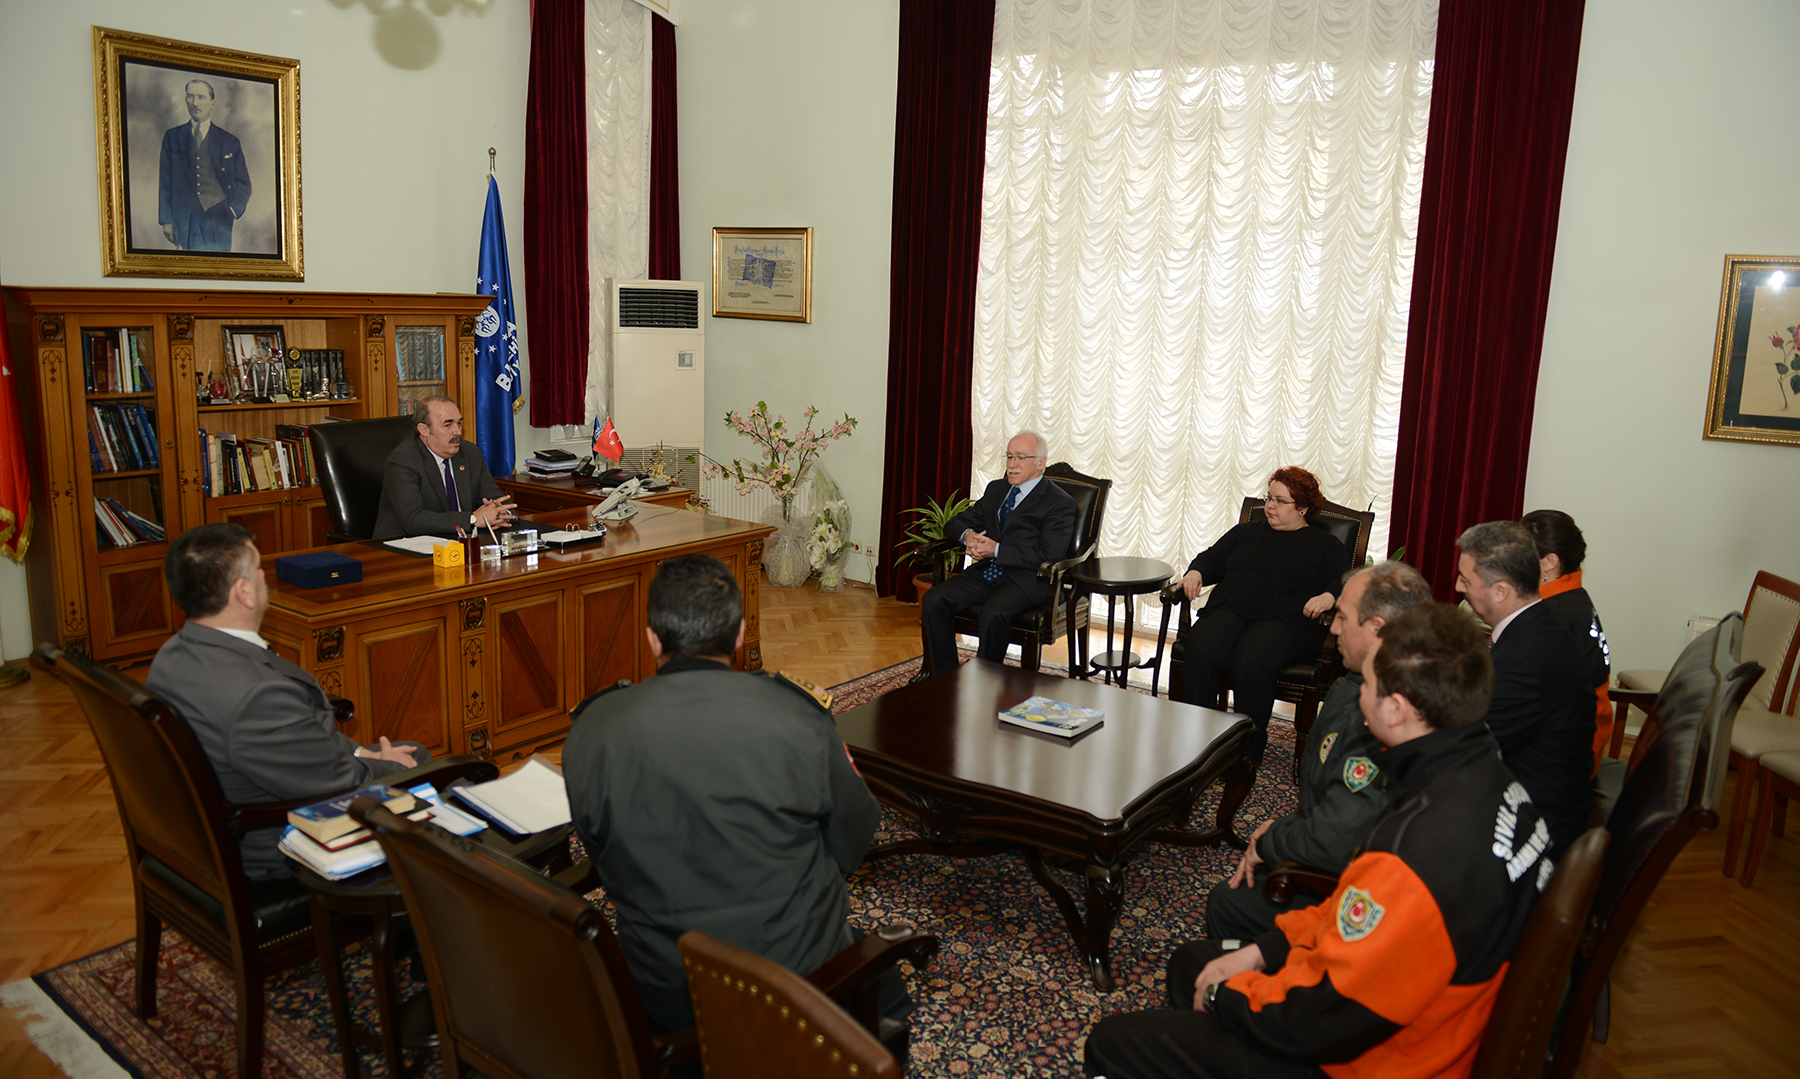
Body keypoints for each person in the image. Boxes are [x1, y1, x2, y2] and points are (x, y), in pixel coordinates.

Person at [1084, 603, 1553, 1079]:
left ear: (1395, 710)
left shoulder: (1417, 850)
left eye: (1366, 685)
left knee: (1113, 1044)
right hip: (1415, 1012)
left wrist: (1226, 998)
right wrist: (1266, 950)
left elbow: (1316, 1019)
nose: (1357, 693)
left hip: (1368, 1059)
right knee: (1192, 964)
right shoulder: (1490, 777)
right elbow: (1352, 912)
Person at [563, 553, 888, 1032]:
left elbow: (600, 851)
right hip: (797, 986)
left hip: (666, 994)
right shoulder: (798, 717)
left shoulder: (593, 728)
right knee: (887, 989)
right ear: (739, 635)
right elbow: (853, 841)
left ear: (653, 639)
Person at [146, 524, 426, 880]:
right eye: (259, 568)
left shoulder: (171, 655)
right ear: (244, 591)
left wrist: (360, 752)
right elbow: (338, 785)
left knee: (407, 755)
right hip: (281, 848)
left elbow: (296, 749)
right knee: (423, 765)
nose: (265, 577)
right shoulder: (259, 696)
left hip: (212, 826)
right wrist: (391, 768)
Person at [1204, 560, 1433, 942]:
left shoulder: (1383, 714)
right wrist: (1287, 828)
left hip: (1360, 889)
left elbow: (1338, 838)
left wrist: (1275, 840)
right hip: (1335, 841)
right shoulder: (1373, 681)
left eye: (1343, 617)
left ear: (1377, 628)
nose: (1334, 628)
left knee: (1226, 904)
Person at [1176, 467, 1350, 768]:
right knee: (1201, 649)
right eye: (1269, 498)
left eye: (1280, 501)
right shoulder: (1247, 532)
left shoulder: (1325, 544)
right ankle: (1197, 743)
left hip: (1285, 621)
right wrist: (1196, 572)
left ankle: (1244, 755)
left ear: (1303, 507)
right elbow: (1213, 557)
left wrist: (1329, 596)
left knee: (1252, 662)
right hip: (1232, 609)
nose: (1270, 506)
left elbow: (1343, 580)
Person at [1454, 520, 1595, 855]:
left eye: (1465, 580)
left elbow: (1466, 753)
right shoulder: (1539, 627)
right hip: (1539, 793)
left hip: (1535, 827)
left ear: (1501, 591)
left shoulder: (1521, 660)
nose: (1458, 587)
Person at [915, 431, 1079, 679]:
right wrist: (968, 536)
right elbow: (956, 523)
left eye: (1021, 457)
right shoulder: (997, 489)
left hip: (1028, 578)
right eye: (1009, 456)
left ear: (1040, 463)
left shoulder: (1059, 502)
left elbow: (1049, 554)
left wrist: (996, 549)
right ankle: (945, 678)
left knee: (993, 613)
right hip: (989, 571)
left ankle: (985, 683)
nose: (1012, 464)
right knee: (934, 599)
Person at [1522, 509, 1615, 769]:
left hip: (1571, 753)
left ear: (1549, 562)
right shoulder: (1571, 597)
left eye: (1521, 550)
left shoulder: (1553, 614)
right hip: (1584, 731)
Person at [372, 395, 516, 537]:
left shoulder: (470, 453)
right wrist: (472, 519)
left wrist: (502, 513)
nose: (457, 432)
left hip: (459, 540)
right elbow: (413, 520)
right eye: (447, 425)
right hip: (404, 544)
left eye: (459, 423)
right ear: (424, 430)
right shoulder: (403, 461)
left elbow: (495, 498)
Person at [157, 79, 251, 252]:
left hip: (218, 218)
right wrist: (167, 220)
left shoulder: (229, 141)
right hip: (183, 218)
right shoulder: (173, 137)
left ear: (212, 103)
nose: (195, 103)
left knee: (218, 264)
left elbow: (243, 183)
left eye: (201, 97)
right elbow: (165, 182)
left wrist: (231, 211)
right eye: (190, 96)